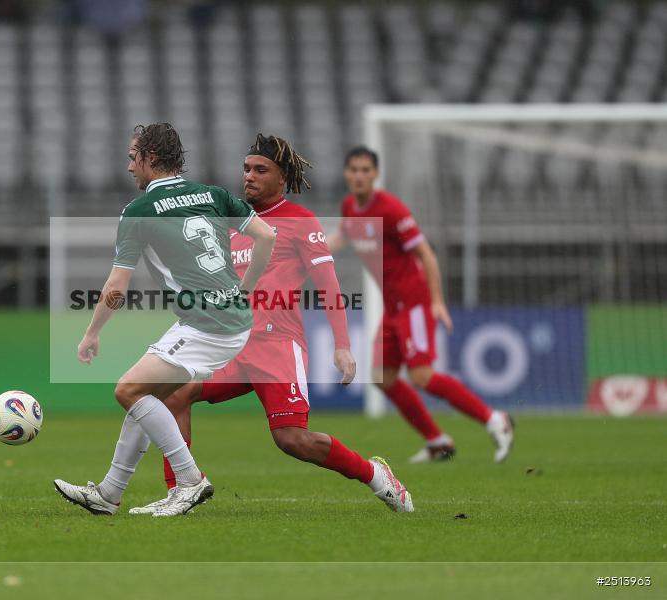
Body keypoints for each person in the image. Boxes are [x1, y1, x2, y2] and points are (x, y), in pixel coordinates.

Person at [129, 133, 414, 515]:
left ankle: (375, 475)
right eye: (246, 169)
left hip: (276, 345)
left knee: (292, 440)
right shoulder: (231, 222)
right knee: (174, 394)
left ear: (282, 178)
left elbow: (328, 287)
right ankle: (181, 490)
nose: (249, 176)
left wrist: (343, 346)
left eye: (260, 170)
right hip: (230, 341)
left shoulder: (300, 222)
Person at [53, 123, 276, 516]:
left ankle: (191, 481)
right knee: (147, 393)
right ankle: (109, 493)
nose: (128, 167)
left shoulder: (140, 210)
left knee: (127, 390)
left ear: (151, 159)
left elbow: (117, 286)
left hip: (208, 324)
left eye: (132, 158)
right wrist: (247, 288)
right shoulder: (212, 193)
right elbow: (267, 236)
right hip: (228, 316)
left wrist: (92, 332)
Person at [327, 146, 515, 463]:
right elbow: (340, 238)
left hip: (413, 302)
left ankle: (495, 420)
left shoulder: (391, 210)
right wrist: (306, 253)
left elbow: (426, 254)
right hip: (393, 306)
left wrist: (437, 301)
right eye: (354, 170)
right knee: (381, 376)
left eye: (365, 170)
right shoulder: (350, 206)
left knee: (422, 376)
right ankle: (437, 441)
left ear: (376, 174)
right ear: (346, 174)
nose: (359, 176)